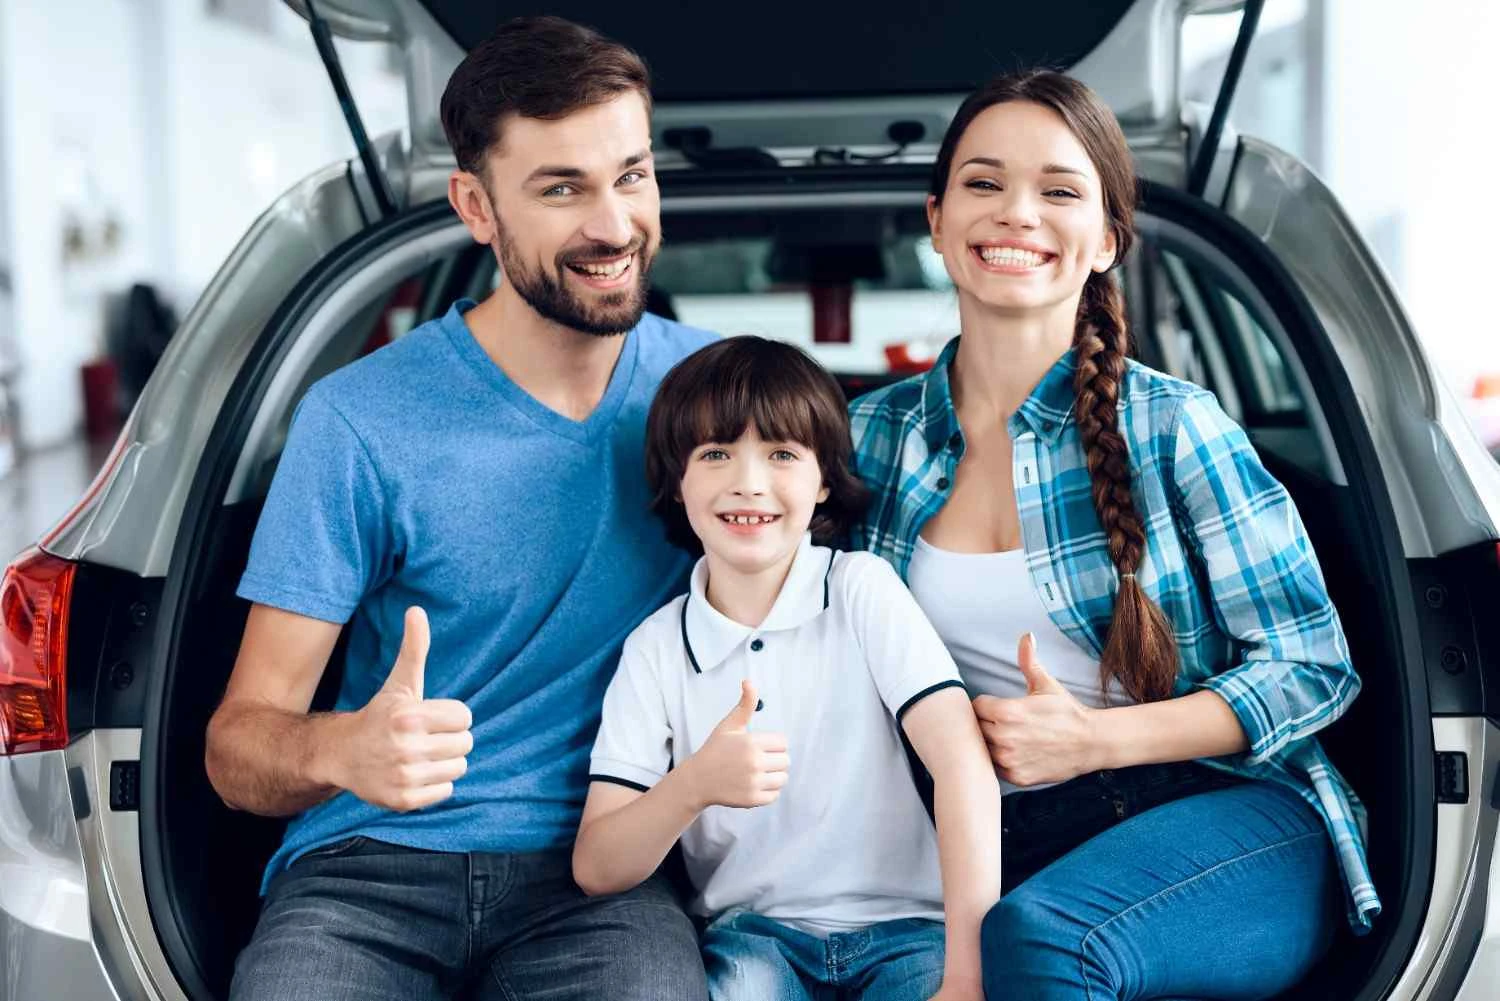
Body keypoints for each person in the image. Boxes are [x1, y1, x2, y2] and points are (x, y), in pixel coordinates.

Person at [203, 16, 717, 1001]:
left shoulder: (723, 401)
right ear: (476, 206)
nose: (613, 224)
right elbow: (237, 748)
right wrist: (344, 747)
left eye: (632, 175)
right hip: (365, 871)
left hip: (601, 872)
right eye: (561, 189)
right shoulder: (360, 418)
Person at [848, 69, 1379, 1000]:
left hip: (1222, 808)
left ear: (1106, 240)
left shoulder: (1174, 426)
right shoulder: (869, 438)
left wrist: (1093, 740)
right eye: (983, 182)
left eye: (1059, 191)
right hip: (989, 835)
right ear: (936, 219)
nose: (1017, 213)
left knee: (1043, 942)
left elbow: (1311, 667)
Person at [572, 336, 1002, 1001]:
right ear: (677, 482)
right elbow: (598, 865)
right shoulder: (656, 648)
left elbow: (962, 766)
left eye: (781, 454)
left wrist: (967, 978)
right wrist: (693, 785)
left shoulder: (861, 588)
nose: (748, 482)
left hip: (909, 930)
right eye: (716, 453)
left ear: (823, 480)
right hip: (754, 939)